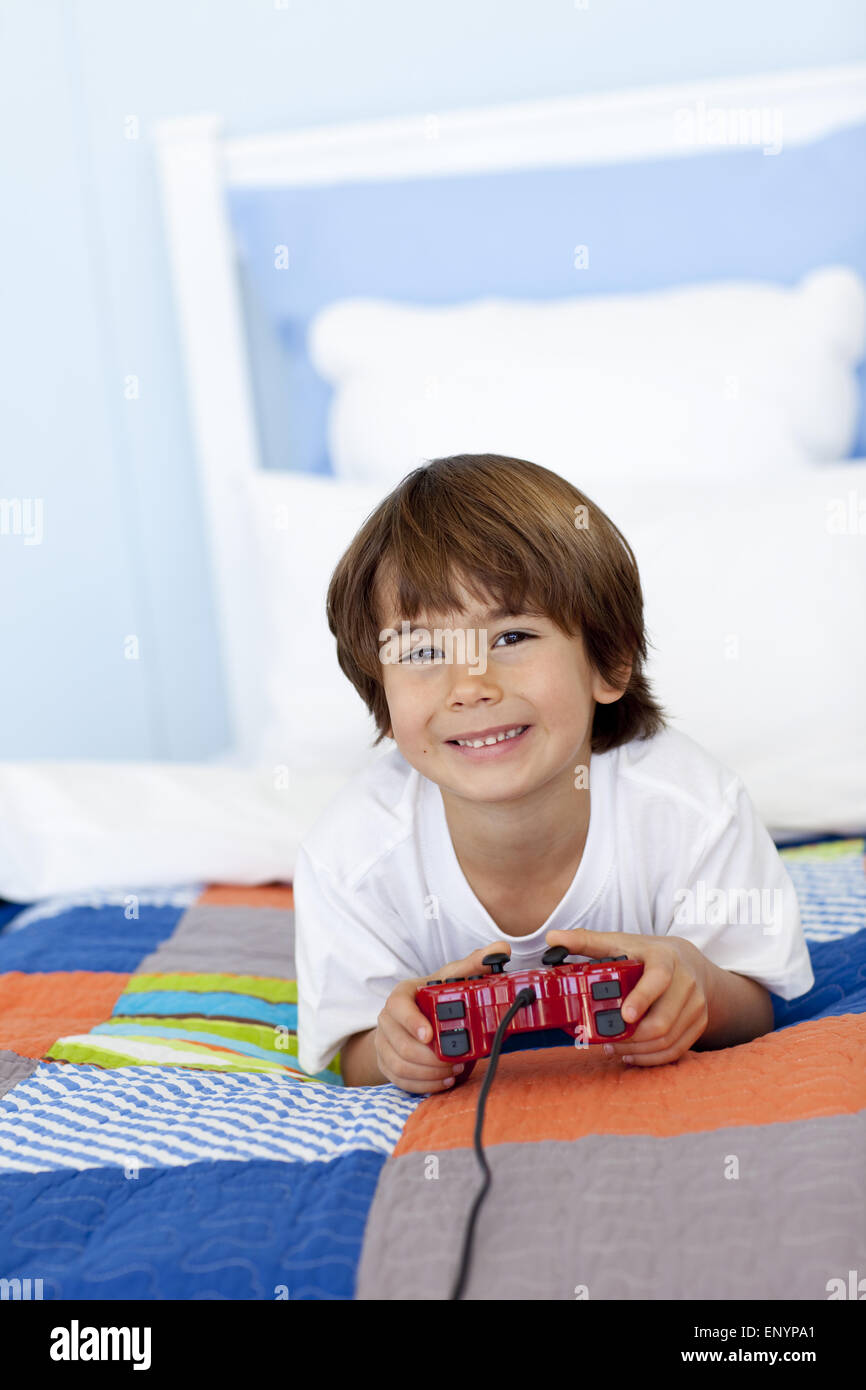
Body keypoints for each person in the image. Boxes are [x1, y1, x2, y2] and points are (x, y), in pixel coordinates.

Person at [293, 453, 814, 1090]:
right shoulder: (349, 856)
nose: (471, 686)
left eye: (511, 637)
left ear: (609, 661)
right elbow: (355, 1050)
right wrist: (400, 1050)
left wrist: (697, 985)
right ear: (381, 690)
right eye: (423, 650)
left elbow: (755, 1001)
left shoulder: (694, 809)